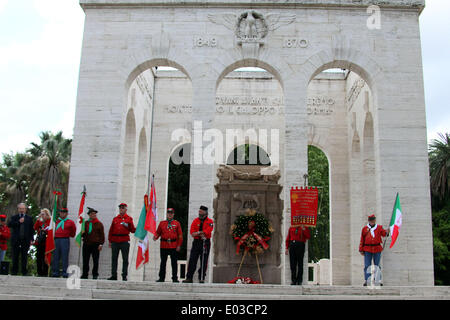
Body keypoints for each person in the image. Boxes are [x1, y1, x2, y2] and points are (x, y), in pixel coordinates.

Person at [183, 205, 214, 284]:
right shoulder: (195, 221)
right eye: (199, 211)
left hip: (205, 242)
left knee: (204, 260)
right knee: (192, 260)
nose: (199, 213)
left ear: (205, 212)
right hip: (196, 242)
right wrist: (200, 233)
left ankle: (201, 277)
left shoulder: (210, 221)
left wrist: (198, 232)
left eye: (201, 211)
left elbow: (208, 231)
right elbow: (192, 232)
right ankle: (189, 277)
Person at [153, 208, 183, 283]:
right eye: (168, 213)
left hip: (173, 245)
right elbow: (158, 232)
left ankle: (175, 278)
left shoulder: (177, 223)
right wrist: (155, 236)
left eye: (171, 213)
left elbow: (180, 235)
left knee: (174, 262)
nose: (170, 214)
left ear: (173, 214)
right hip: (164, 245)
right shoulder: (162, 223)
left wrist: (179, 245)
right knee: (163, 262)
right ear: (166, 214)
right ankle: (161, 277)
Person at [108, 203, 136, 281]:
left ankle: (124, 275)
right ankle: (114, 275)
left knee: (125, 259)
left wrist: (138, 228)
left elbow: (132, 229)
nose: (121, 209)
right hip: (115, 240)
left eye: (123, 208)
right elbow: (111, 230)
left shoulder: (129, 219)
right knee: (114, 259)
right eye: (120, 208)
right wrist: (110, 240)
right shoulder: (115, 219)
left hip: (124, 240)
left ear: (126, 209)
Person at [359, 214, 388, 286]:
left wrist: (387, 231)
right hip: (367, 248)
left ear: (375, 220)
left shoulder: (379, 227)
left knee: (377, 265)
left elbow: (384, 234)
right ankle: (367, 280)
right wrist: (361, 249)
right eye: (370, 220)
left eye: (373, 220)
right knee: (367, 265)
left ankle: (378, 280)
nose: (372, 222)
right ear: (369, 221)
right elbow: (362, 239)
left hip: (377, 248)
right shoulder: (365, 229)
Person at [8, 203, 34, 275]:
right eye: (20, 208)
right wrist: (18, 222)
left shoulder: (29, 218)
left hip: (25, 240)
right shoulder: (14, 217)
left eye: (23, 209)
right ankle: (14, 271)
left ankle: (24, 271)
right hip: (16, 240)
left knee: (24, 256)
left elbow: (31, 229)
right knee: (15, 256)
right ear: (18, 209)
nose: (22, 210)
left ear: (25, 209)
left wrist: (31, 239)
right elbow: (9, 224)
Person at [51, 208, 76, 278]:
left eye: (64, 213)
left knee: (65, 256)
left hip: (65, 239)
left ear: (67, 214)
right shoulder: (56, 221)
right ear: (59, 213)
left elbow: (73, 232)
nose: (63, 214)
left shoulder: (70, 222)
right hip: (56, 240)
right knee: (56, 256)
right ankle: (55, 272)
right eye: (61, 212)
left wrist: (67, 235)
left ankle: (65, 272)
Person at [81, 207, 105, 280]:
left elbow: (102, 235)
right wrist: (81, 236)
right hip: (87, 244)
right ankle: (85, 274)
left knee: (95, 260)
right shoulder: (85, 223)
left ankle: (95, 274)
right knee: (85, 260)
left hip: (95, 244)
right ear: (89, 215)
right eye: (92, 214)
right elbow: (82, 232)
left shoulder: (99, 224)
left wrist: (101, 244)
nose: (94, 215)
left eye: (94, 214)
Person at [34, 208, 51, 277]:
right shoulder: (40, 222)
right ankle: (39, 272)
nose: (42, 216)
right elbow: (35, 228)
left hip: (47, 242)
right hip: (40, 242)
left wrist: (45, 230)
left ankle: (45, 272)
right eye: (41, 214)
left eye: (43, 214)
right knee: (39, 257)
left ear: (47, 215)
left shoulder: (50, 222)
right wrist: (38, 220)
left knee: (45, 257)